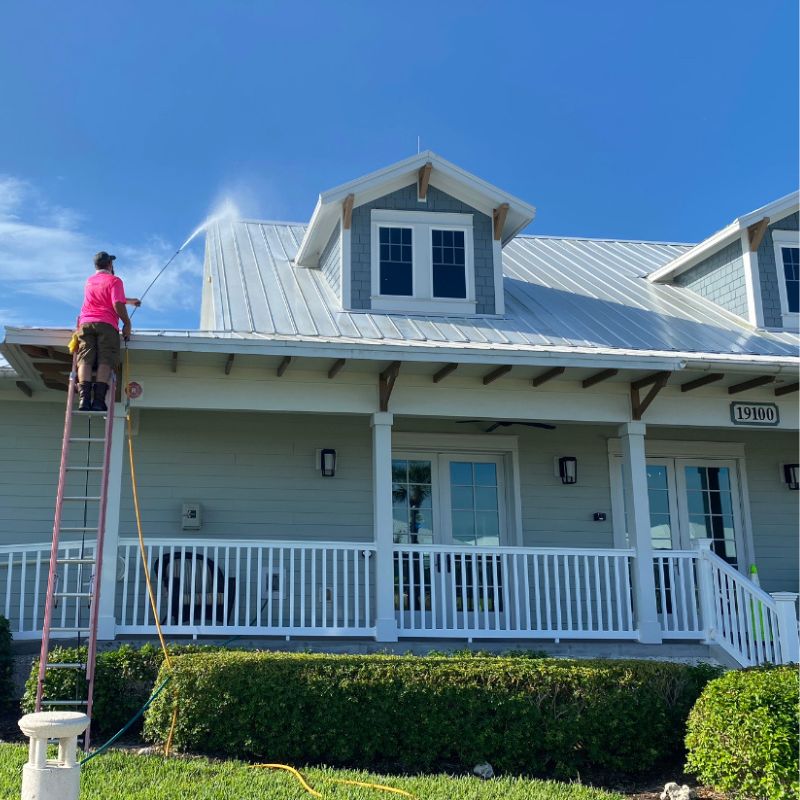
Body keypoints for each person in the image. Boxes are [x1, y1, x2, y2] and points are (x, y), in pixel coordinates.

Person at [75, 251, 141, 412]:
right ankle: (98, 401)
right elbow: (116, 302)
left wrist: (130, 301)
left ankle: (84, 400)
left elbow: (106, 296)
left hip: (85, 324)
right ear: (110, 265)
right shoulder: (115, 280)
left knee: (85, 358)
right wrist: (127, 323)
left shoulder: (89, 281)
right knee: (106, 358)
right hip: (106, 325)